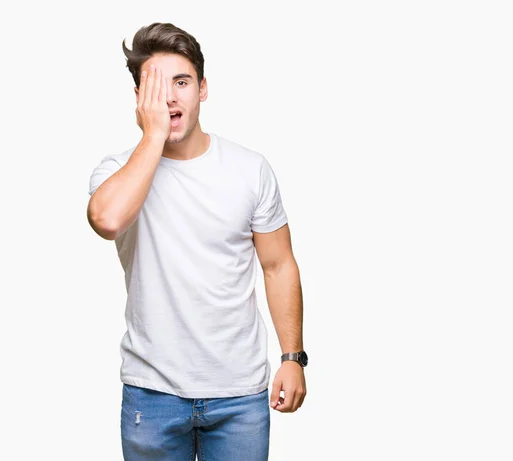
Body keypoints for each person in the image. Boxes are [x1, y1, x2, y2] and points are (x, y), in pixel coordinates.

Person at [86, 22, 308, 461]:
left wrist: (292, 357)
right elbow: (108, 220)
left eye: (181, 82)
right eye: (155, 86)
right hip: (152, 394)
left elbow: (277, 265)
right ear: (137, 99)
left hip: (239, 395)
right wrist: (153, 136)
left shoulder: (250, 169)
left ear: (203, 89)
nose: (170, 97)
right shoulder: (115, 170)